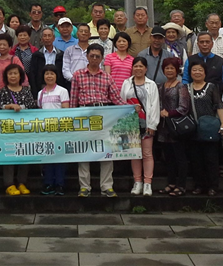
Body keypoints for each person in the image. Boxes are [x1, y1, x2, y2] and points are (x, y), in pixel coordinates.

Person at [70, 43, 123, 198]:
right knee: (84, 151)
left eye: (97, 56)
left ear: (101, 58)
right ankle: (84, 186)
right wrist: (74, 120)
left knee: (107, 151)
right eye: (91, 56)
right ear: (87, 57)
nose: (94, 59)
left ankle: (107, 186)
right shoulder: (78, 75)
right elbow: (73, 100)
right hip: (84, 116)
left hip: (104, 116)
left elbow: (116, 99)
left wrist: (131, 108)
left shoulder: (107, 77)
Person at [187, 57, 223, 196]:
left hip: (209, 128)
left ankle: (213, 186)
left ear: (205, 72)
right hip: (192, 129)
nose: (197, 72)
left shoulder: (211, 87)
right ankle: (199, 186)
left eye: (200, 70)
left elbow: (219, 106)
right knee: (195, 159)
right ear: (190, 72)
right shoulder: (186, 88)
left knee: (211, 159)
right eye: (194, 70)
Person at [0, 63, 37, 195]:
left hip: (24, 130)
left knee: (24, 155)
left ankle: (21, 182)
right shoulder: (3, 91)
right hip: (7, 131)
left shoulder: (26, 90)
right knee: (9, 156)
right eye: (10, 73)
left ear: (21, 76)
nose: (13, 76)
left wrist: (21, 107)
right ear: (6, 76)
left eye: (15, 73)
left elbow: (32, 107)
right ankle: (9, 184)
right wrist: (8, 107)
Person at [121, 56, 159, 197]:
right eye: (135, 66)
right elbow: (121, 101)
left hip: (146, 123)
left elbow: (155, 105)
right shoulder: (127, 83)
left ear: (146, 68)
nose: (138, 69)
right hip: (130, 123)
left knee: (147, 153)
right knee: (134, 154)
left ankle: (148, 183)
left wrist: (153, 124)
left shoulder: (151, 84)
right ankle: (137, 182)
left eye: (141, 66)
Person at [157, 57, 191, 197]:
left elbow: (184, 108)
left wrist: (169, 113)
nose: (169, 70)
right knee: (168, 157)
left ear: (177, 70)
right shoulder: (160, 86)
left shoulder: (181, 86)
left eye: (172, 68)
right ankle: (171, 182)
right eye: (167, 68)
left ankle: (181, 185)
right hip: (164, 127)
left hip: (177, 127)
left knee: (180, 157)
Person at [37, 65, 69, 195]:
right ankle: (48, 183)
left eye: (52, 74)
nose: (49, 76)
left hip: (60, 130)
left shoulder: (62, 91)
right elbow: (39, 112)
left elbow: (66, 110)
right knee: (48, 158)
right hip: (45, 131)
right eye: (46, 74)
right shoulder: (40, 93)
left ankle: (60, 184)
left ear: (56, 76)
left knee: (60, 158)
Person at [29, 28, 65, 97]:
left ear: (54, 38)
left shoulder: (60, 54)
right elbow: (33, 74)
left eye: (49, 35)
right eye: (45, 36)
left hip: (58, 87)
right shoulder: (37, 55)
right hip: (41, 87)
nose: (47, 38)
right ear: (42, 38)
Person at [62, 23, 91, 90]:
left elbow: (98, 67)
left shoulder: (93, 50)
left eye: (86, 32)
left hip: (90, 84)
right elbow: (65, 69)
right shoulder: (69, 50)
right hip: (72, 84)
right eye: (81, 31)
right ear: (77, 34)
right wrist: (75, 80)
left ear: (90, 35)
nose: (83, 33)